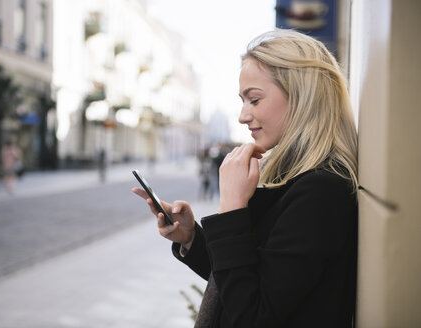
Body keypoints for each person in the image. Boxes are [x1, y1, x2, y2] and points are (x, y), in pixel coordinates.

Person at [133, 29, 358, 327]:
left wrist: (233, 205)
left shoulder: (321, 191)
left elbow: (251, 315)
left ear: (303, 96)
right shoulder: (299, 176)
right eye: (242, 101)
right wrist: (191, 239)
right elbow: (245, 279)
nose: (242, 115)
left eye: (254, 100)